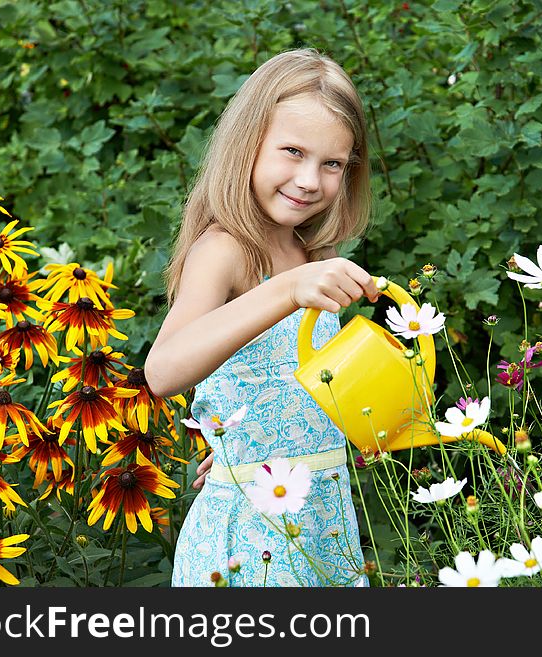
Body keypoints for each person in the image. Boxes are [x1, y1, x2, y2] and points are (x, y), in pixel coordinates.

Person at [145, 48, 380, 587]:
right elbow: (162, 371)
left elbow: (290, 389)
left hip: (323, 523)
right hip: (252, 537)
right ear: (246, 146)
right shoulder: (225, 250)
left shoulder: (311, 255)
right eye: (292, 152)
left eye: (332, 164)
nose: (308, 179)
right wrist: (288, 289)